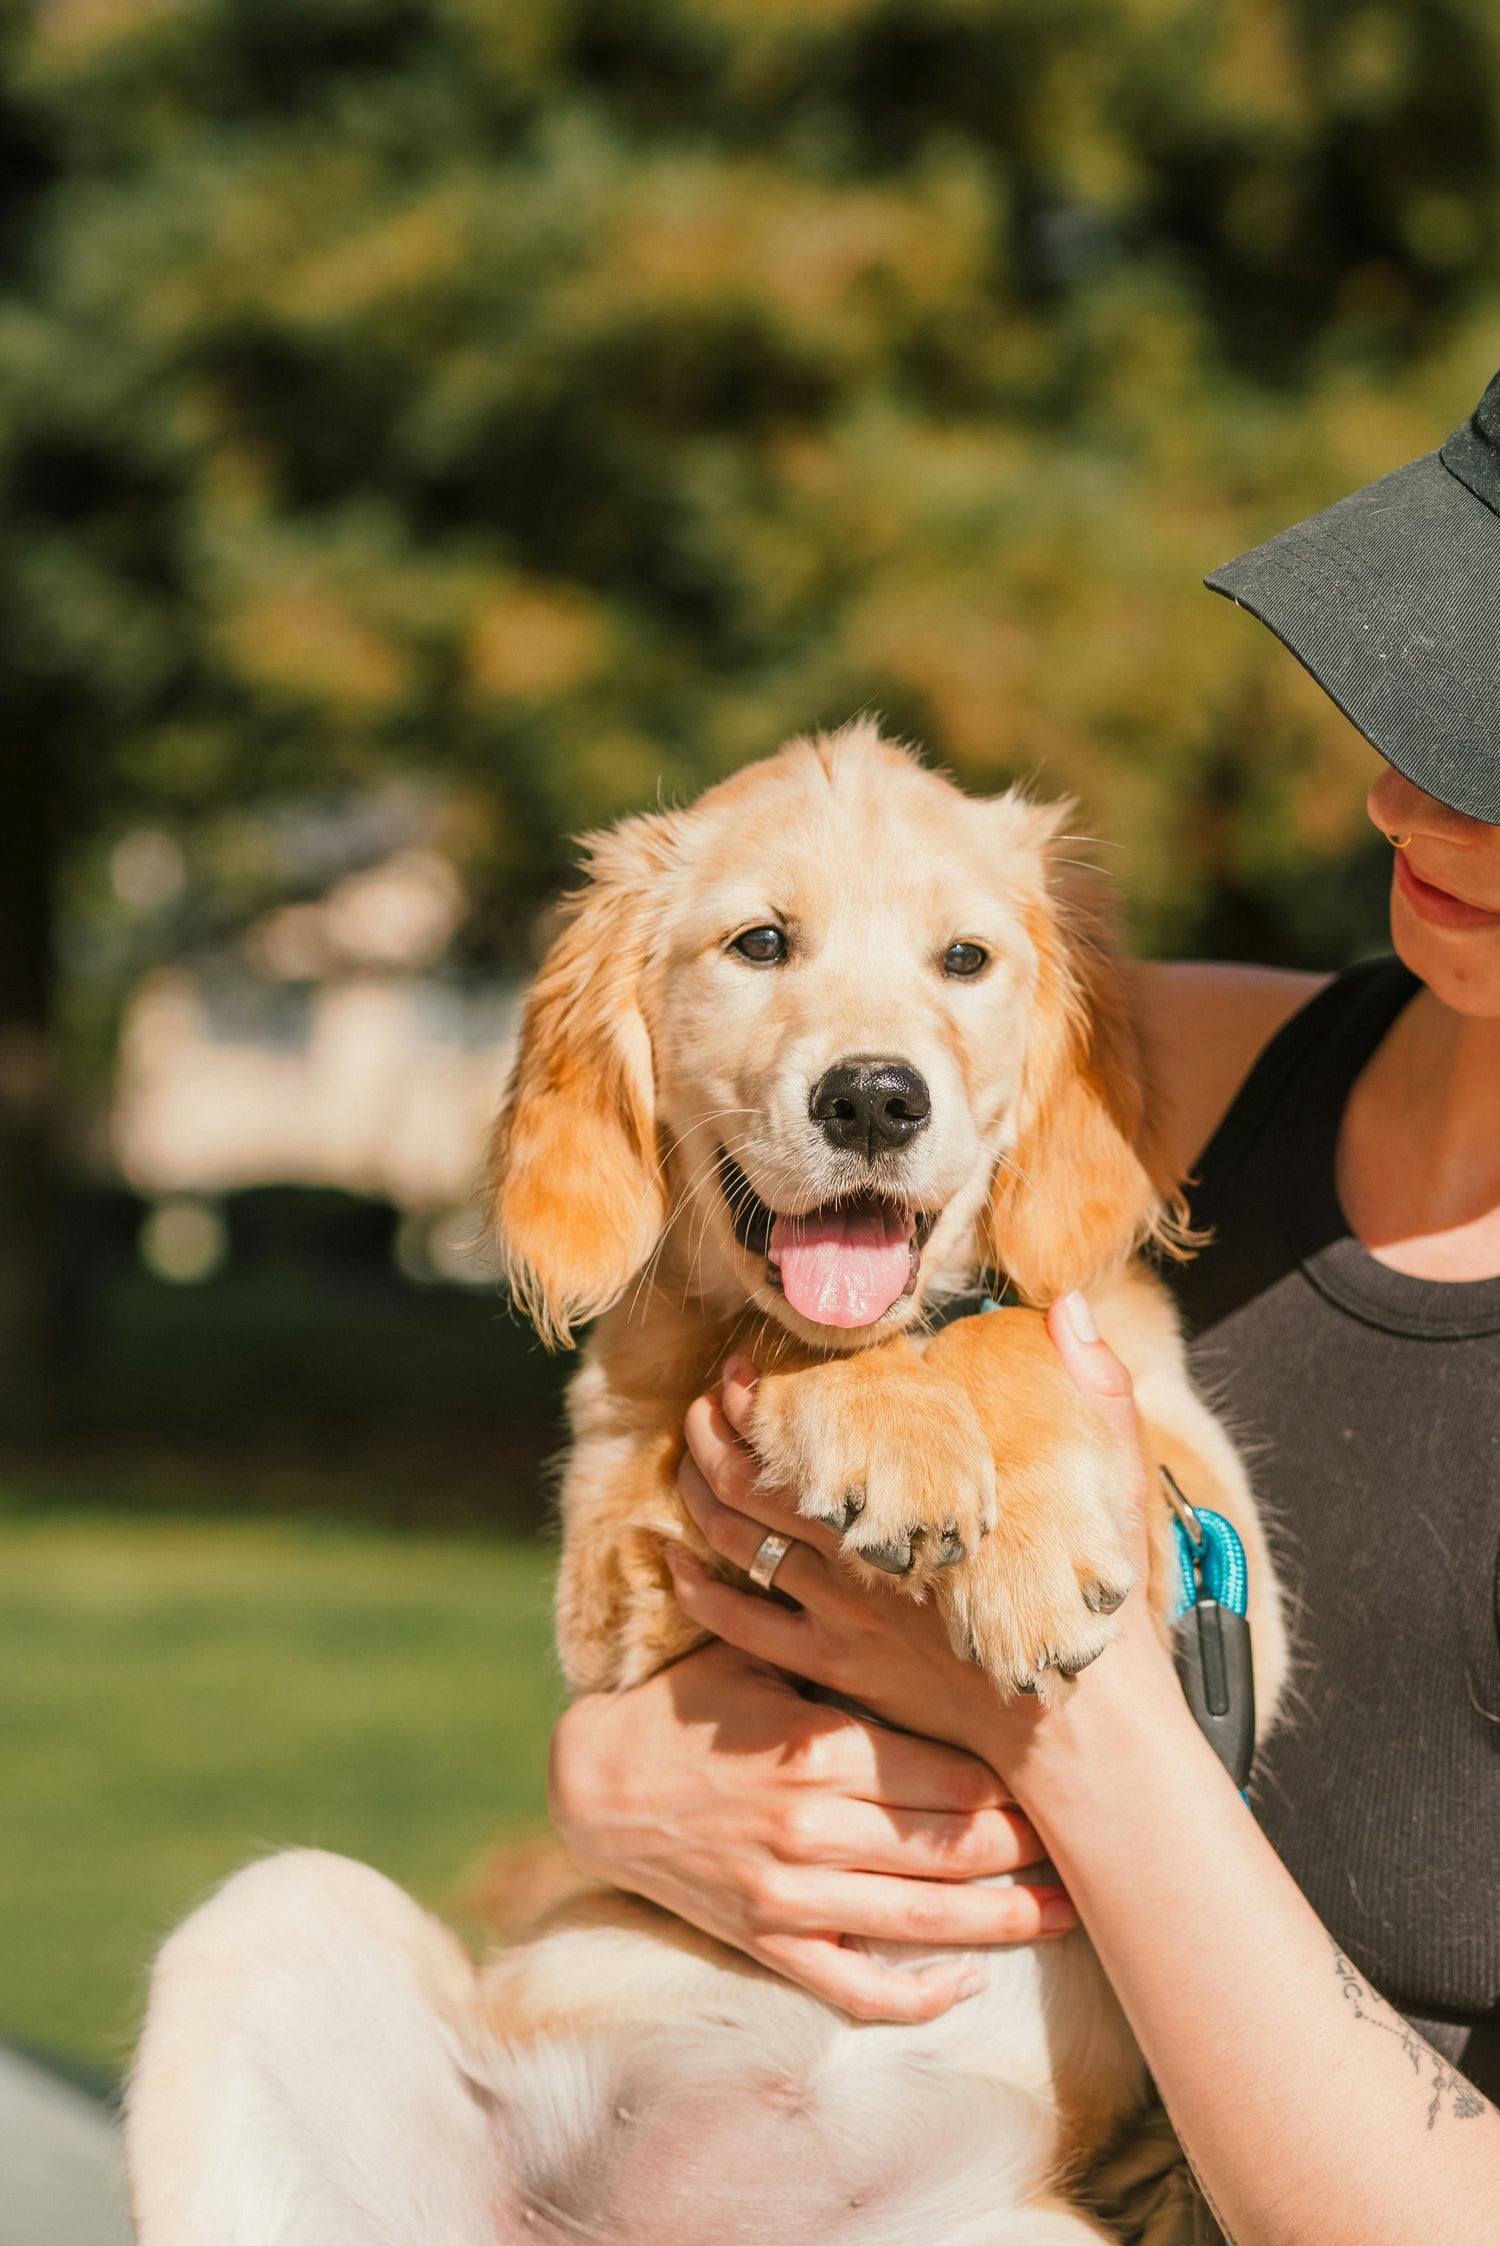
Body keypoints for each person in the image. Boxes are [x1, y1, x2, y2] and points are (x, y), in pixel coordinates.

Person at [545, 370, 1500, 2243]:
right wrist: (622, 1783)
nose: (1393, 784)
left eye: (1491, 746)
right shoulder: (1186, 1069)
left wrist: (1072, 1722)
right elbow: (674, 1316)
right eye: (1414, 699)